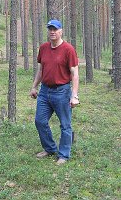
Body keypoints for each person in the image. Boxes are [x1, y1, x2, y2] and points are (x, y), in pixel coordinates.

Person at [29, 19, 80, 165]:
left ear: (61, 31)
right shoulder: (44, 48)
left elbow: (75, 74)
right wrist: (34, 87)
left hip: (62, 92)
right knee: (40, 121)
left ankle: (64, 155)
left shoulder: (68, 49)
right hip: (45, 91)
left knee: (65, 125)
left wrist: (74, 95)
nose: (52, 31)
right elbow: (40, 70)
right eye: (50, 29)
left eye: (55, 29)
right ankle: (50, 148)